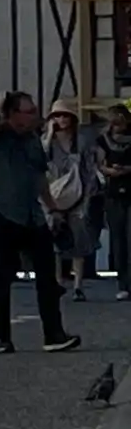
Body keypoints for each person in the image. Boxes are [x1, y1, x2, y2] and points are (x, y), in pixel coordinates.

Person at [0, 92, 80, 355]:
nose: (35, 115)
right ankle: (2, 337)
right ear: (13, 114)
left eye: (35, 110)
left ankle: (54, 334)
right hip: (2, 214)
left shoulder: (33, 140)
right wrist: (1, 102)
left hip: (33, 216)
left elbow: (39, 178)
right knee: (1, 279)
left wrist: (53, 208)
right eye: (28, 111)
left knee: (48, 278)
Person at [44, 99, 99, 301]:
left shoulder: (81, 141)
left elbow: (89, 171)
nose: (62, 119)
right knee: (55, 241)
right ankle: (58, 282)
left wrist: (87, 199)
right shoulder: (48, 141)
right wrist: (49, 135)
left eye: (65, 115)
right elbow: (40, 163)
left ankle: (78, 285)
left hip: (77, 195)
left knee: (78, 241)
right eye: (57, 116)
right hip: (53, 196)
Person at [96, 103, 131, 300]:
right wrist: (111, 171)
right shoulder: (103, 140)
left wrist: (127, 169)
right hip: (113, 191)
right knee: (118, 239)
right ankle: (123, 283)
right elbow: (100, 164)